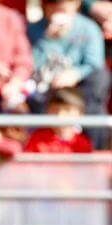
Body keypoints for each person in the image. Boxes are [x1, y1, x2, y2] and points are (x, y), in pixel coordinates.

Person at [28, 0, 110, 148]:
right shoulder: (35, 30)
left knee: (100, 79)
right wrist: (49, 39)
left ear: (76, 5)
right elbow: (32, 64)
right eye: (53, 6)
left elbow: (94, 63)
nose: (58, 10)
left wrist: (75, 74)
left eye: (63, 7)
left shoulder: (88, 28)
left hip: (81, 90)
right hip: (47, 87)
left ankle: (95, 150)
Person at [25, 87, 94, 152]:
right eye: (55, 110)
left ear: (80, 114)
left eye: (67, 110)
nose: (60, 115)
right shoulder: (38, 138)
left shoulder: (83, 143)